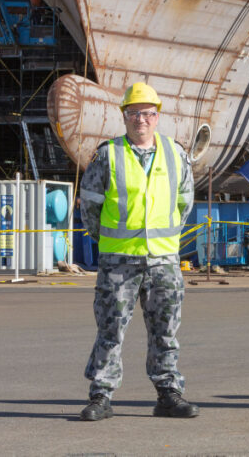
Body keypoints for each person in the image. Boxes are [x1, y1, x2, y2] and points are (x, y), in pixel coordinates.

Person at [76, 82, 198, 421]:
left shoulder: (176, 154)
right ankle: (100, 397)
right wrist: (112, 242)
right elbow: (90, 207)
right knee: (110, 331)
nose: (140, 119)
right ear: (124, 117)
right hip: (119, 262)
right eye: (133, 113)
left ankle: (168, 394)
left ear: (157, 117)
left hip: (163, 262)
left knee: (165, 332)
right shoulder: (108, 155)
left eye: (147, 113)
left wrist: (164, 240)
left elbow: (185, 203)